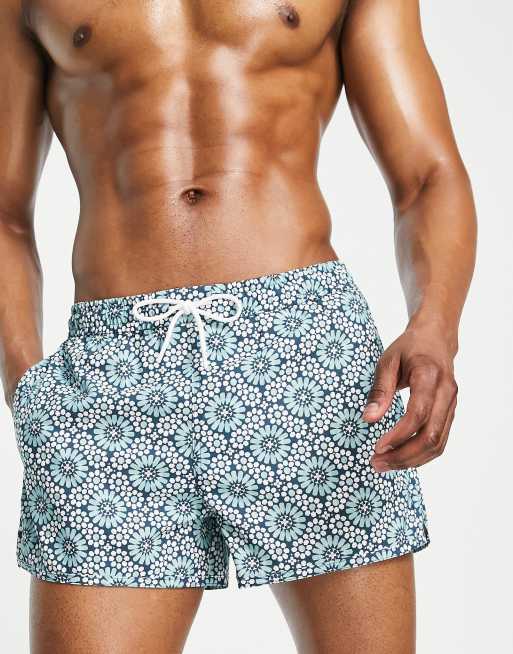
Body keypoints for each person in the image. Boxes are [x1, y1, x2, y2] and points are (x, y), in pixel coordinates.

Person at [0, 1, 476, 652]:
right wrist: (27, 386)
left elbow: (426, 175)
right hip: (110, 375)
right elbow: (6, 211)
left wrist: (434, 326)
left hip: (304, 356)